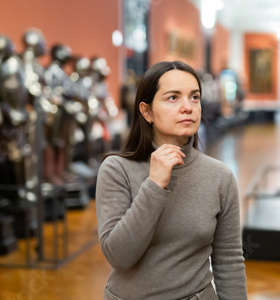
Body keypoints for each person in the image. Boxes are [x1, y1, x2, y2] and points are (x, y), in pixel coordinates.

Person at [96, 61, 247, 300]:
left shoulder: (220, 176)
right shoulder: (117, 170)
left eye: (194, 97)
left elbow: (229, 260)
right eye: (173, 98)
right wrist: (154, 185)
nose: (188, 107)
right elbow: (120, 256)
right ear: (147, 112)